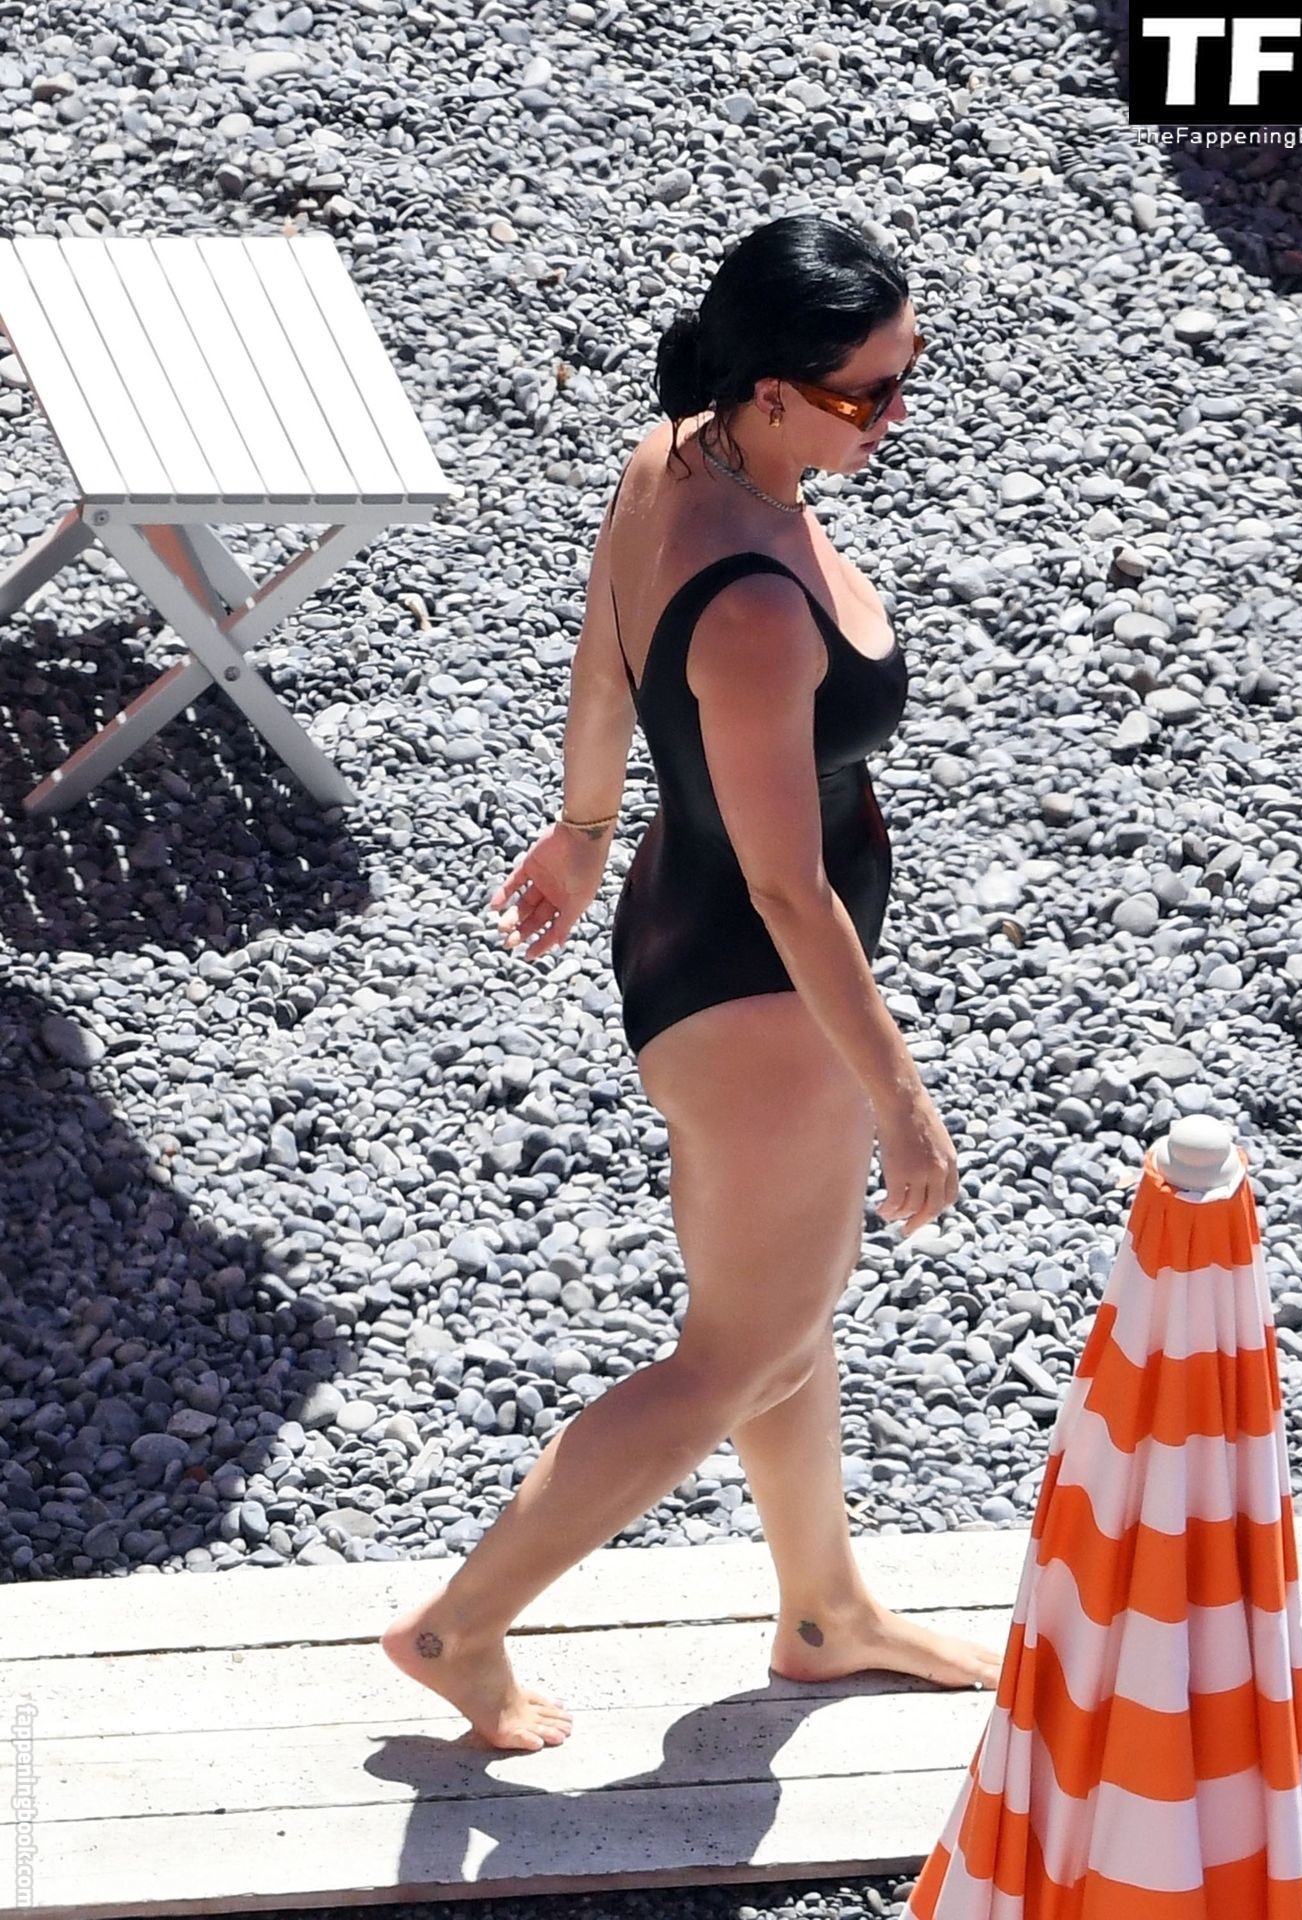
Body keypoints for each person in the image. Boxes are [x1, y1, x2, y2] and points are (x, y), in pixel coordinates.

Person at [381, 212, 1003, 1752]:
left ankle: (822, 1610)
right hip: (758, 990)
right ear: (774, 391)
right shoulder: (755, 609)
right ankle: (458, 1628)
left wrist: (584, 830)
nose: (896, 413)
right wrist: (901, 1100)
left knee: (776, 1314)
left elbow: (604, 651)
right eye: (868, 391)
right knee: (734, 1351)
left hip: (682, 923)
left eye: (908, 372)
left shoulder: (674, 454)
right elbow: (791, 891)